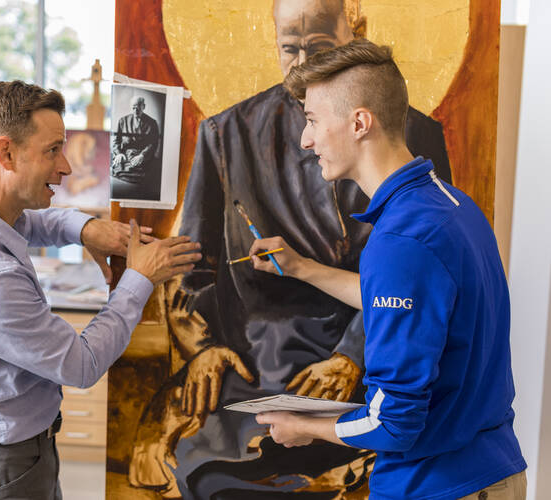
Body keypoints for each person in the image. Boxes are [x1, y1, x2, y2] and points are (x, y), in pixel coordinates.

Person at [128, 0, 451, 497]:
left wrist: (352, 356)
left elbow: (409, 282)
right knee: (206, 467)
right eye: (289, 49)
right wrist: (204, 346)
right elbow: (189, 262)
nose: (302, 66)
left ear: (355, 29)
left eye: (319, 49)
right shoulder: (226, 133)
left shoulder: (416, 136)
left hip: (364, 360)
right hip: (253, 362)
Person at [252, 38, 526, 499]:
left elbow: (393, 423)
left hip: (436, 487)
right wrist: (301, 268)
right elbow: (418, 306)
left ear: (359, 122)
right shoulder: (451, 206)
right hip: (490, 472)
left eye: (313, 120)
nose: (306, 139)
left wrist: (306, 426)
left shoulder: (401, 241)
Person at [0, 80, 201, 500]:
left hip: (13, 454)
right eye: (53, 150)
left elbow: (32, 222)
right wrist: (139, 279)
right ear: (6, 153)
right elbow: (82, 364)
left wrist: (87, 228)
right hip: (0, 468)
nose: (66, 167)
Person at [111, 95, 161, 200]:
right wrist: (119, 153)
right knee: (117, 164)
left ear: (144, 106)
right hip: (125, 155)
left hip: (143, 156)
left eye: (138, 107)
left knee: (149, 172)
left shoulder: (152, 123)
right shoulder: (122, 121)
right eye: (133, 107)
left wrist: (142, 155)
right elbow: (116, 141)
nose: (135, 110)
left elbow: (153, 143)